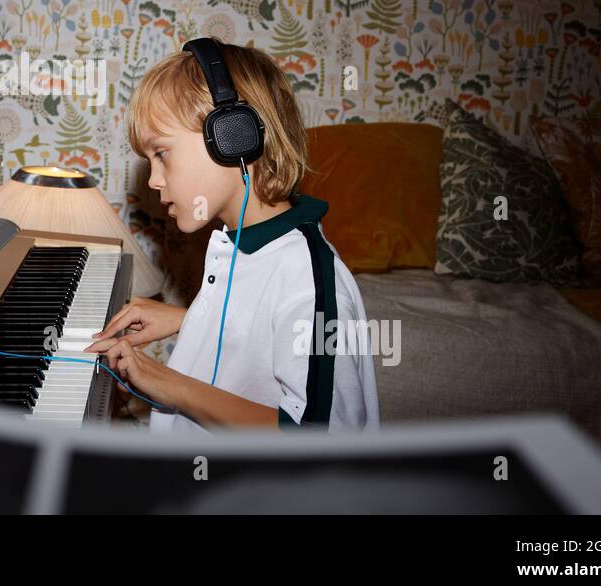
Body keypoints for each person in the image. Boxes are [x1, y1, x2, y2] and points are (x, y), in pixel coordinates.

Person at [85, 39, 380, 432]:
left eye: (162, 153)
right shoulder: (243, 241)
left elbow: (315, 438)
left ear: (232, 137)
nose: (154, 180)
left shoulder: (307, 280)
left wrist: (167, 383)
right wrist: (190, 320)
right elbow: (259, 327)